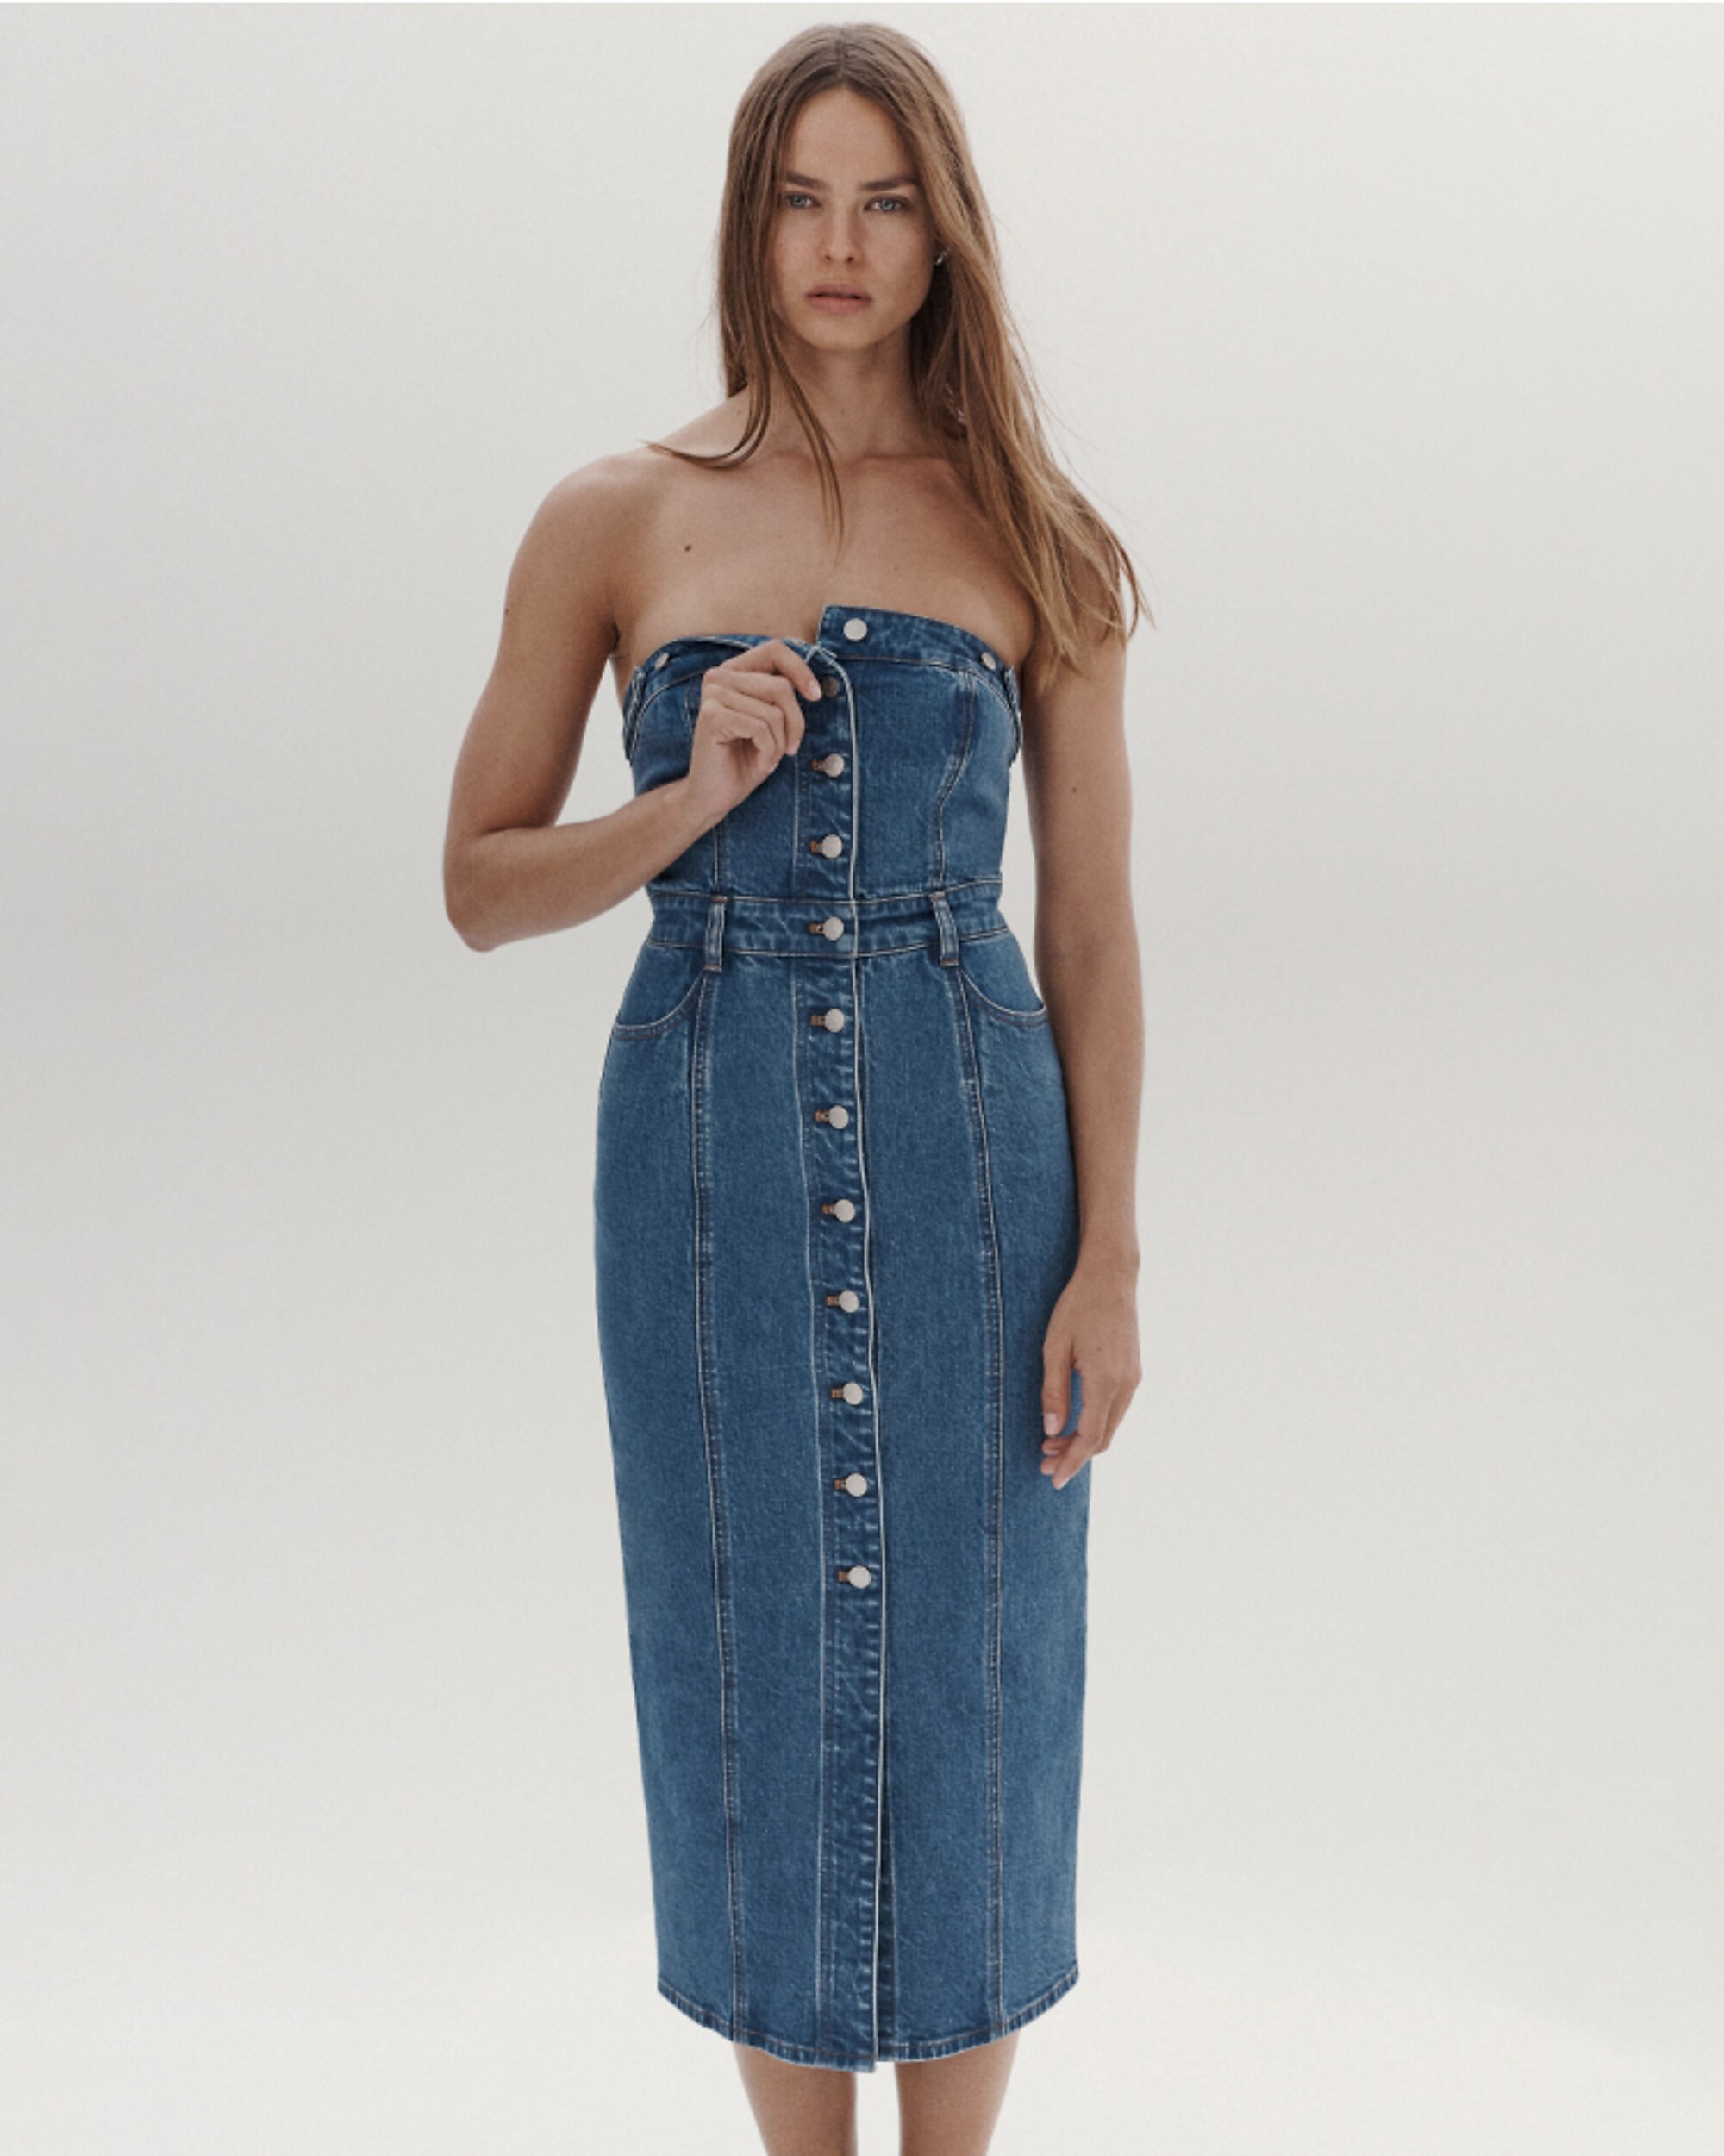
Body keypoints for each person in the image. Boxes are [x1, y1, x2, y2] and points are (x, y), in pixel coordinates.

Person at [444, 22, 1146, 2153]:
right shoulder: (615, 515)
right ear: (749, 227)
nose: (839, 245)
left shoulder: (1034, 534)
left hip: (973, 1146)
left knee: (976, 1669)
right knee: (748, 1644)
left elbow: (1092, 936)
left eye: (885, 201)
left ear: (944, 236)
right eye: (799, 199)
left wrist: (1110, 1257)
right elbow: (479, 886)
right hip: (706, 1149)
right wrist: (689, 800)